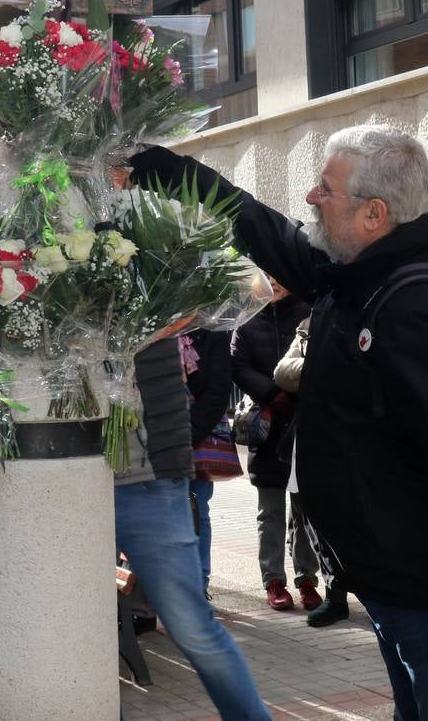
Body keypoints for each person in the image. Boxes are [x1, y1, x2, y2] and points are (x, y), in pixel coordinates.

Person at [130, 124, 428, 720]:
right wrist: (172, 172)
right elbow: (269, 233)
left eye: (325, 189)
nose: (310, 198)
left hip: (427, 587)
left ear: (374, 214)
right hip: (386, 577)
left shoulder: (416, 304)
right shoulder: (354, 274)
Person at [116, 336, 272, 720]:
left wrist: (179, 448)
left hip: (148, 476)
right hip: (65, 476)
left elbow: (212, 385)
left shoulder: (168, 299)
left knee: (191, 625)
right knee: (74, 625)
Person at [230, 275, 320, 612]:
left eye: (280, 275)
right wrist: (271, 393)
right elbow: (237, 364)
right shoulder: (248, 317)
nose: (275, 282)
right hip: (266, 425)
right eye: (267, 276)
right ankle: (274, 580)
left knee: (304, 509)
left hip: (304, 424)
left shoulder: (308, 312)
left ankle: (307, 578)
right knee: (269, 510)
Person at [274, 317, 350, 628]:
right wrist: (321, 363)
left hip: (355, 439)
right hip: (311, 436)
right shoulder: (309, 325)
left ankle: (373, 595)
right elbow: (282, 373)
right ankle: (336, 596)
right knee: (313, 520)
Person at [178, 329, 233, 597]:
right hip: (155, 433)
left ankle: (199, 585)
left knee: (197, 508)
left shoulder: (214, 329)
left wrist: (187, 433)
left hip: (196, 434)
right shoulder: (159, 324)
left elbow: (219, 390)